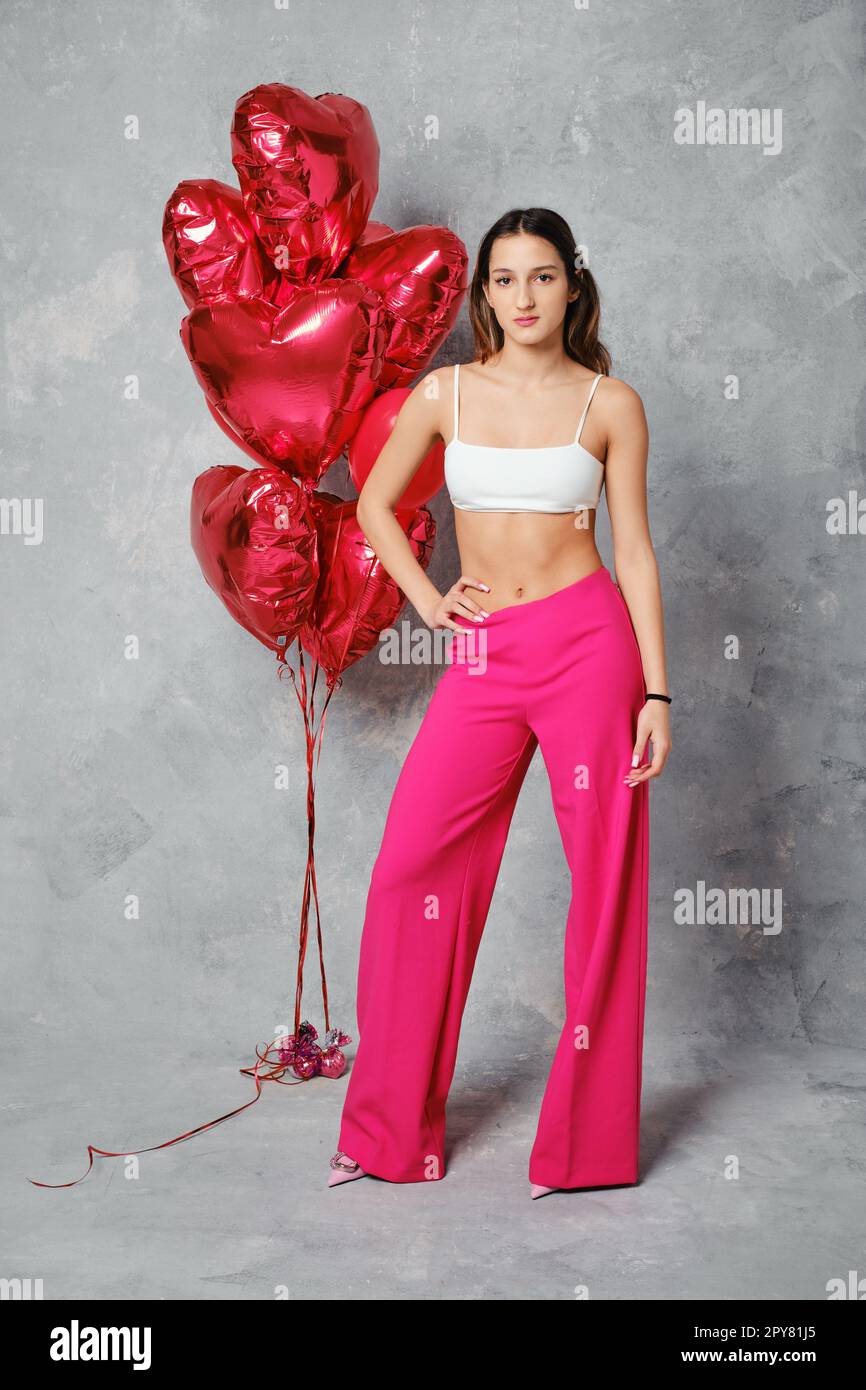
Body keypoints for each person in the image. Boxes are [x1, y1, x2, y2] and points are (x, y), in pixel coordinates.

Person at [329, 206, 671, 1199]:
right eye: (504, 279)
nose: (522, 297)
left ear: (572, 286)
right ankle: (391, 1133)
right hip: (484, 650)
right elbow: (373, 504)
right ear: (483, 294)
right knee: (410, 866)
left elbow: (635, 552)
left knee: (605, 882)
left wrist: (656, 688)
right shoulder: (445, 392)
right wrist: (429, 601)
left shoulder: (610, 403)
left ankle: (583, 1152)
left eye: (541, 277)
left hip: (587, 646)